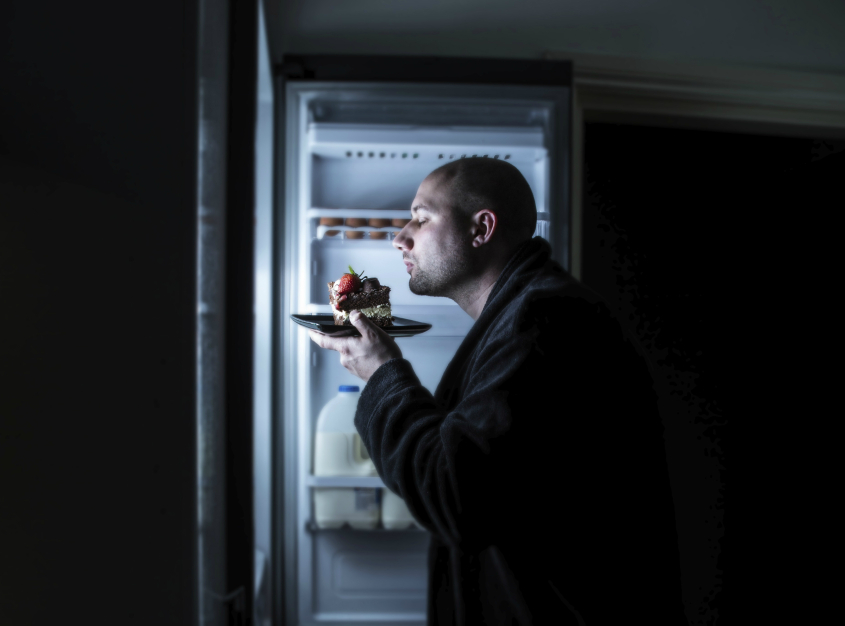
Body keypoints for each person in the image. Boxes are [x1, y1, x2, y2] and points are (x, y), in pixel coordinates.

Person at [309, 158, 686, 625]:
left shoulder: (543, 324)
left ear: (481, 228)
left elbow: (455, 494)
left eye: (422, 218)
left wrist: (382, 372)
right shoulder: (527, 313)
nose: (400, 235)